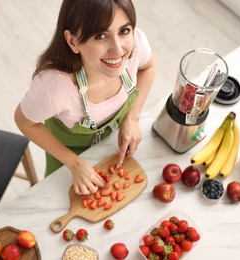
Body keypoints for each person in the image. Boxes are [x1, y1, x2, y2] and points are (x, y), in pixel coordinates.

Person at [14, 0, 155, 195]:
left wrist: (132, 118)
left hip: (115, 145)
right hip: (68, 156)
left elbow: (148, 67)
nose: (118, 50)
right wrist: (74, 163)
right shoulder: (53, 88)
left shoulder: (137, 45)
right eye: (100, 36)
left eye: (124, 31)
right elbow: (24, 122)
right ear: (73, 41)